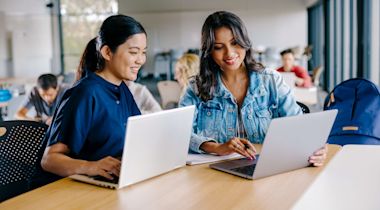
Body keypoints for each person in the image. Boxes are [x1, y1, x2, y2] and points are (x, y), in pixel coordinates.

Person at [179, 11, 327, 166]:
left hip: (267, 169)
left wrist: (316, 148)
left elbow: (300, 126)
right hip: (213, 175)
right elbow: (179, 133)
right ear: (209, 51)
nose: (229, 53)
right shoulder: (196, 87)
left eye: (235, 43)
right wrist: (216, 147)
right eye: (218, 47)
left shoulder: (271, 81)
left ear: (244, 41)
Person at [41, 14, 147, 180]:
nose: (140, 60)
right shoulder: (85, 92)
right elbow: (49, 160)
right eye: (134, 52)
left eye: (143, 52)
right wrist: (92, 167)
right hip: (72, 189)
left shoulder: (122, 89)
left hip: (112, 180)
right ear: (107, 52)